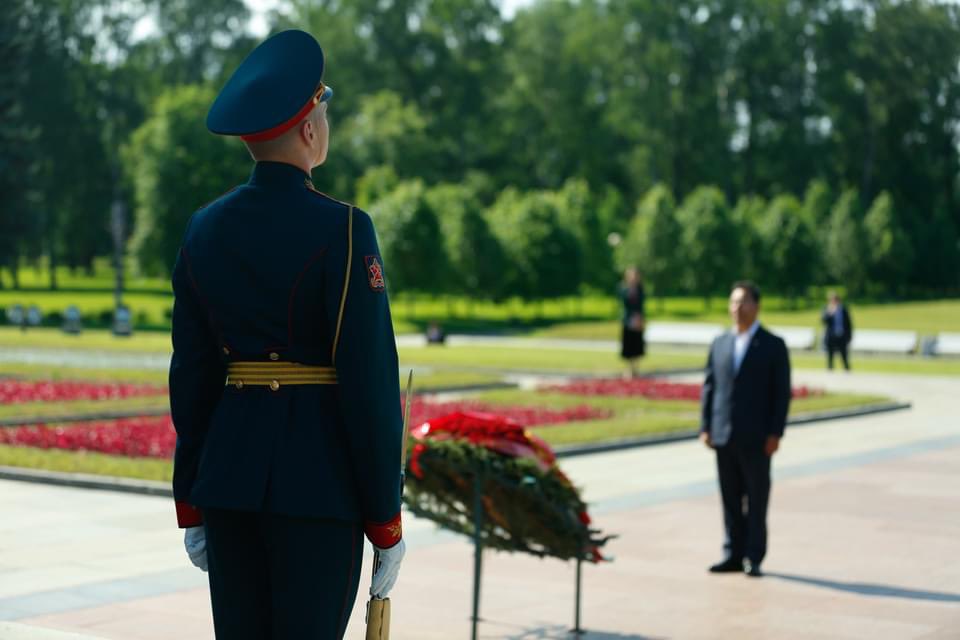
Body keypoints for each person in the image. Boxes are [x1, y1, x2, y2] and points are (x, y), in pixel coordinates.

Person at [169, 30, 405, 638]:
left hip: (228, 485)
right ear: (308, 129)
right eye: (324, 110)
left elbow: (191, 378)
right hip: (318, 489)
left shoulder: (203, 229)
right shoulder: (345, 229)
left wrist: (191, 500)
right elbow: (371, 388)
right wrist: (386, 521)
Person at [699, 281, 791, 578]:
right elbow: (710, 387)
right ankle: (732, 554)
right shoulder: (720, 343)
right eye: (733, 302)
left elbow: (781, 393)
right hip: (723, 435)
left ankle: (753, 555)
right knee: (729, 498)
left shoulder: (773, 345)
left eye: (743, 302)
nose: (737, 308)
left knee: (756, 498)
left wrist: (775, 433)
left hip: (757, 438)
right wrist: (706, 426)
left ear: (756, 306)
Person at [619, 267, 646, 378]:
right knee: (628, 345)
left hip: (638, 320)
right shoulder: (623, 288)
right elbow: (623, 302)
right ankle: (628, 369)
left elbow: (641, 305)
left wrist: (641, 318)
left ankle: (636, 369)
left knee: (637, 345)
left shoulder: (640, 289)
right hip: (627, 320)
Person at [822, 291, 853, 371]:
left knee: (844, 355)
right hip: (831, 336)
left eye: (835, 300)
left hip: (842, 336)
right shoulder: (827, 309)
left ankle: (847, 370)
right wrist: (830, 313)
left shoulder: (843, 309)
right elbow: (823, 321)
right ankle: (830, 370)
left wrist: (849, 336)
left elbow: (849, 324)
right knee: (830, 356)